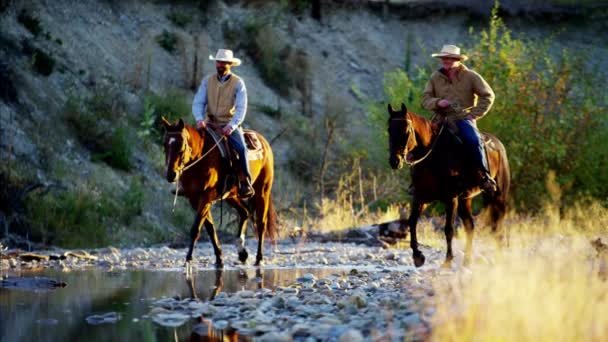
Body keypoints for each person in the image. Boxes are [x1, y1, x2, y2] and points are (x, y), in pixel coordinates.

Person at [422, 44, 497, 193]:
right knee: (420, 141)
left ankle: (484, 176)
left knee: (473, 140)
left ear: (457, 59)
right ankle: (418, 182)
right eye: (443, 58)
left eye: (449, 58)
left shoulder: (471, 76)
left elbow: (488, 96)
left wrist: (474, 114)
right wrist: (437, 102)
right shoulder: (435, 77)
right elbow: (425, 98)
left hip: (462, 118)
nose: (445, 61)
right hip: (440, 118)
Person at [191, 49, 254, 198]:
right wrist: (199, 119)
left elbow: (241, 108)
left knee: (241, 149)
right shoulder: (207, 81)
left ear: (230, 64)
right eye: (218, 62)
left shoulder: (238, 83)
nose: (220, 64)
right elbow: (198, 102)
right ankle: (184, 181)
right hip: (210, 123)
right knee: (188, 144)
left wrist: (232, 126)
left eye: (224, 62)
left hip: (228, 124)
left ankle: (245, 182)